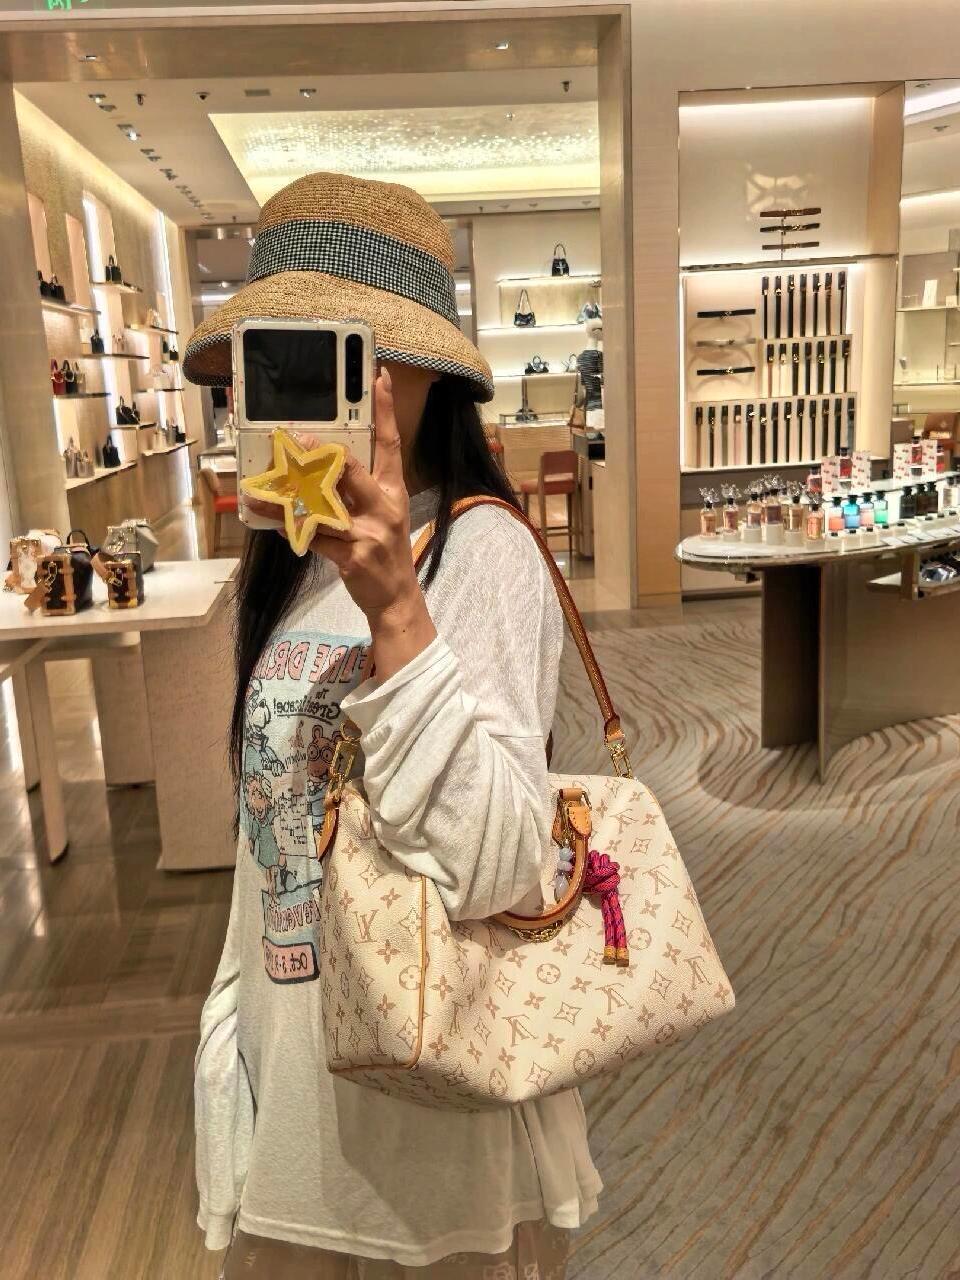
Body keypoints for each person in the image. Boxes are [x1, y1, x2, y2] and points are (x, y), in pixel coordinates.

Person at [185, 172, 601, 1280]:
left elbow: (501, 861)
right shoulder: (284, 562)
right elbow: (268, 842)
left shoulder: (483, 553)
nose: (302, 396)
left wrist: (398, 613)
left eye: (342, 356)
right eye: (276, 363)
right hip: (295, 1112)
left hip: (428, 1134)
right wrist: (231, 1038)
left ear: (421, 375)